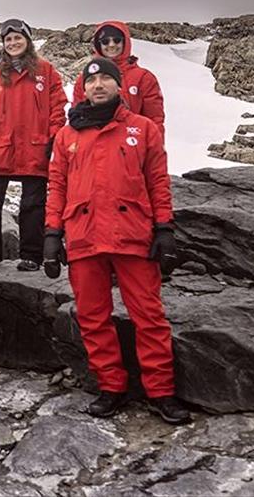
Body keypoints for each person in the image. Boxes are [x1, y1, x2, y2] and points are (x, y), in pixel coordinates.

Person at [44, 57, 190, 425]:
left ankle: (162, 392)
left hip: (133, 236)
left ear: (118, 86)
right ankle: (112, 387)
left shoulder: (142, 129)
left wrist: (164, 229)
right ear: (83, 89)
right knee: (93, 319)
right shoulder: (67, 136)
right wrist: (51, 235)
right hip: (84, 236)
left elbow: (158, 181)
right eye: (91, 82)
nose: (98, 87)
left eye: (105, 80)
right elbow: (56, 187)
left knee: (149, 317)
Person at [0, 19, 68, 273]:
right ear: (3, 44)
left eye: (18, 38)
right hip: (0, 148)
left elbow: (58, 108)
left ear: (28, 41)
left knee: (32, 204)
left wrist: (54, 138)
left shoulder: (47, 72)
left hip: (35, 148)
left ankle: (31, 255)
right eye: (8, 39)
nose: (13, 43)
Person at [71, 21, 165, 131]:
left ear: (125, 42)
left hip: (132, 143)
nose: (111, 45)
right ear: (98, 45)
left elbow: (155, 120)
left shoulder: (144, 78)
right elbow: (77, 116)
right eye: (105, 41)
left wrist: (155, 146)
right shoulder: (85, 79)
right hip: (93, 144)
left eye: (117, 40)